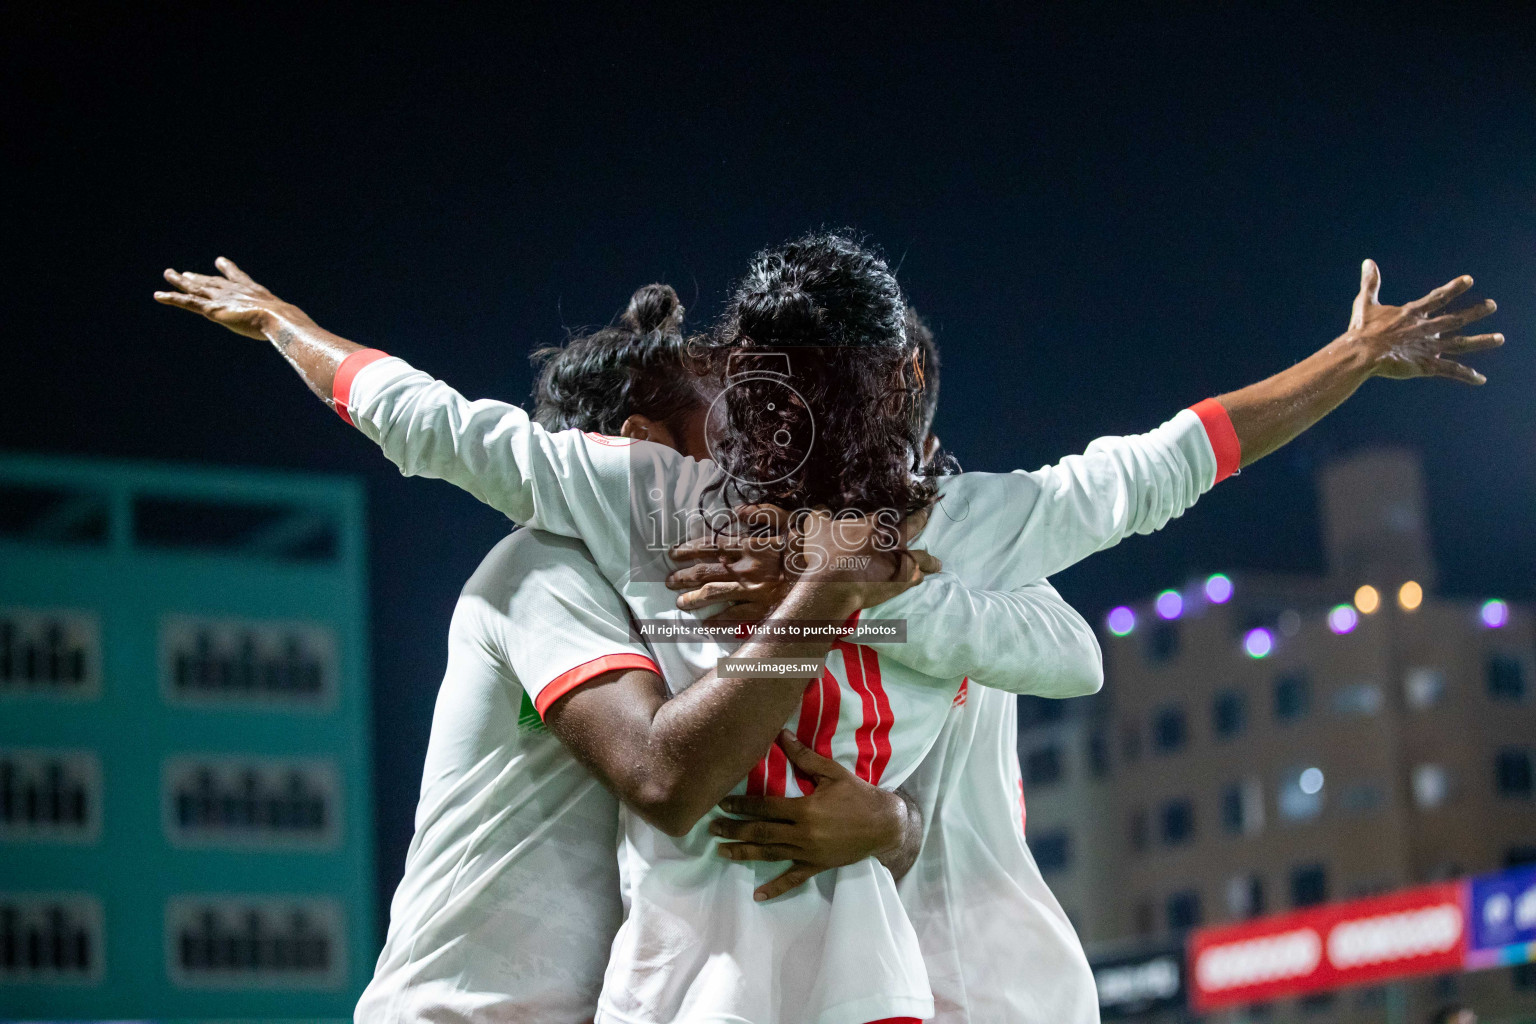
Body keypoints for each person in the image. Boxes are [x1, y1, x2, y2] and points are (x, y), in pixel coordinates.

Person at [155, 233, 1500, 1024]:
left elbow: (439, 429)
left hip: (774, 969)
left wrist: (291, 328)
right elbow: (1167, 467)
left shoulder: (700, 509)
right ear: (897, 380)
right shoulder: (919, 520)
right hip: (750, 970)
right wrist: (1346, 367)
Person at [351, 284, 1105, 1023]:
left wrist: (892, 823)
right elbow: (667, 776)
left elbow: (1067, 657)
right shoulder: (548, 570)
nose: (762, 440)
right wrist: (822, 595)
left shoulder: (881, 562)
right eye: (732, 420)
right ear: (634, 452)